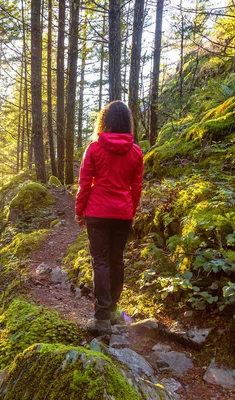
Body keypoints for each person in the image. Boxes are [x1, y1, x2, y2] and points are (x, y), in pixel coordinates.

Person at [75, 101, 144, 334]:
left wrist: (79, 210)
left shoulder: (94, 149)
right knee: (116, 260)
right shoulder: (136, 152)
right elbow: (137, 188)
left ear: (104, 121)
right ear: (127, 123)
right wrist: (131, 212)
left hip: (97, 212)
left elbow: (84, 183)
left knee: (101, 262)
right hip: (122, 214)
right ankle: (113, 313)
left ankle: (102, 316)